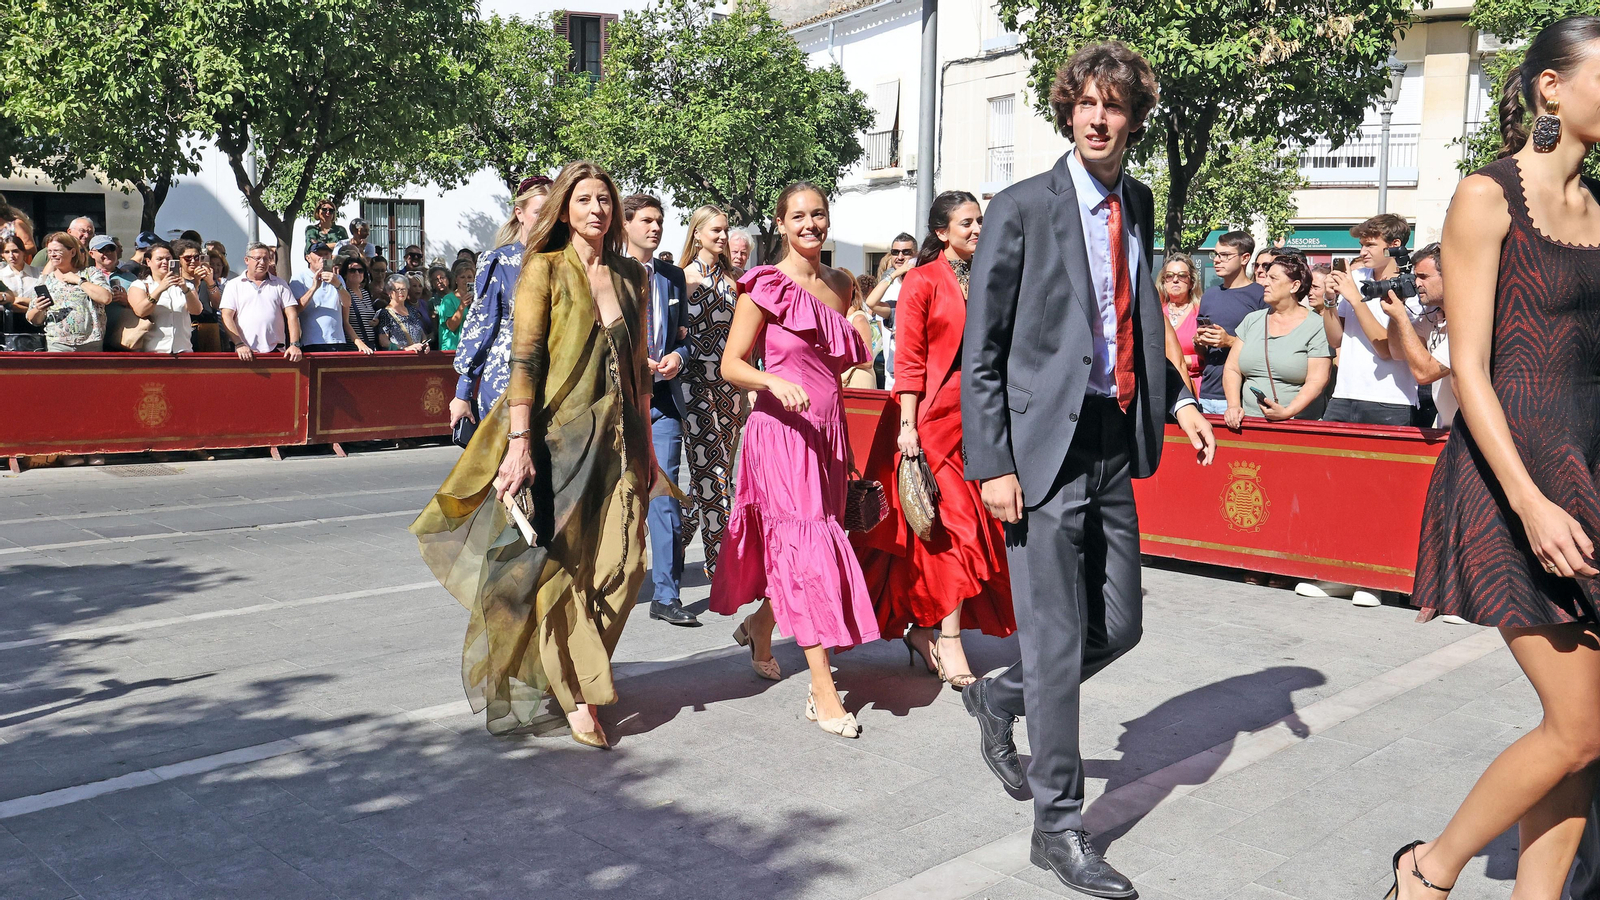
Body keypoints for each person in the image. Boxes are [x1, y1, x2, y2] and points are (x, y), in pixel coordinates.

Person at [960, 43, 1215, 897]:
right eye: (1087, 103)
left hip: (1111, 440)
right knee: (1060, 638)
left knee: (1122, 623)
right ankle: (1058, 827)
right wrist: (993, 462)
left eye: (1116, 106)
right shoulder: (1023, 207)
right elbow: (982, 350)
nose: (1100, 118)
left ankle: (1004, 695)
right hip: (1039, 456)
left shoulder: (1136, 202)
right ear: (1068, 111)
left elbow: (1139, 320)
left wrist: (1178, 400)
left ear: (1134, 119)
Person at [1402, 18, 1600, 899]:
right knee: (1580, 728)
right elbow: (1469, 367)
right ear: (1551, 88)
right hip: (1512, 479)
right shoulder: (1488, 197)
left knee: (1587, 730)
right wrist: (1527, 500)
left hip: (1586, 472)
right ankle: (1429, 870)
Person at [412, 160, 652, 747]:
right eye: (584, 199)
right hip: (555, 441)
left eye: (604, 200)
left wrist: (645, 448)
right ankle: (576, 692)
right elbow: (524, 362)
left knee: (626, 562)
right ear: (565, 208)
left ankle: (572, 668)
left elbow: (636, 370)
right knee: (561, 565)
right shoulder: (541, 269)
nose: (596, 209)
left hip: (619, 439)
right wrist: (518, 445)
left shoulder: (630, 275)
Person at [708, 181, 877, 737]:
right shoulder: (763, 286)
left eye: (819, 214)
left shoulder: (841, 284)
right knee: (806, 552)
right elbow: (732, 364)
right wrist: (773, 381)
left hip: (828, 433)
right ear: (780, 224)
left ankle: (762, 625)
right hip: (779, 433)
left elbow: (844, 366)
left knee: (809, 545)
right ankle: (822, 691)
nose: (810, 224)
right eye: (798, 216)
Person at [854, 190, 1016, 691]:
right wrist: (907, 427)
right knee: (955, 530)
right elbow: (910, 361)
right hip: (927, 424)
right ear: (942, 232)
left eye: (980, 221)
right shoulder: (921, 281)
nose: (977, 229)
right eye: (966, 222)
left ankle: (925, 629)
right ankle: (948, 639)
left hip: (981, 423)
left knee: (962, 531)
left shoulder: (994, 276)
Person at [623, 193, 699, 627]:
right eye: (647, 221)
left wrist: (679, 358)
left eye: (659, 221)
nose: (655, 228)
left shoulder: (672, 276)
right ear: (627, 225)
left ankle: (667, 595)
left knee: (665, 496)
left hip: (664, 402)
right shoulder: (610, 271)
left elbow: (684, 337)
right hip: (618, 403)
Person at [451, 176, 551, 427]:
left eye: (553, 212)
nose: (546, 220)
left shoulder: (565, 260)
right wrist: (463, 392)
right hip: (505, 377)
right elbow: (482, 328)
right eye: (539, 212)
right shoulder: (499, 261)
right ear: (520, 213)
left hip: (554, 377)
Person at [679, 204, 746, 579]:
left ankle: (679, 535)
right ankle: (720, 561)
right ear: (698, 233)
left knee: (721, 471)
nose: (722, 237)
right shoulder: (682, 279)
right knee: (712, 469)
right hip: (694, 385)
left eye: (725, 231)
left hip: (731, 387)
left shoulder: (736, 279)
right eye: (716, 231)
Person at [1320, 214, 1424, 425]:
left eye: (1370, 245)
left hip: (1391, 398)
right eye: (1361, 245)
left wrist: (1356, 300)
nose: (1362, 252)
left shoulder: (1411, 285)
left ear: (1395, 245)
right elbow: (1335, 340)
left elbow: (1386, 349)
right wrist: (1329, 299)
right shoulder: (1356, 278)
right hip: (1344, 394)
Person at [1221, 253, 1332, 426]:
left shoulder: (1317, 326)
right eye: (1266, 278)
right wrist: (1233, 405)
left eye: (1273, 278)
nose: (1265, 283)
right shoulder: (1252, 320)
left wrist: (1288, 411)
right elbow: (1232, 368)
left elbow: (1317, 380)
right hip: (1248, 423)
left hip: (1297, 425)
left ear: (1294, 286)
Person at [1380, 243, 1454, 429]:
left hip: (1472, 434)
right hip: (1447, 427)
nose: (1416, 283)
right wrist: (1397, 313)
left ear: (1450, 277)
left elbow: (1425, 373)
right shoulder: (1432, 314)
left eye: (1423, 277)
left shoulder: (1468, 320)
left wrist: (1401, 317)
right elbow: (1397, 352)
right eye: (1414, 277)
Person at [1192, 231, 1266, 415]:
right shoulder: (1209, 295)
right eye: (1216, 254)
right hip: (1207, 393)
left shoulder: (1260, 296)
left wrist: (1230, 341)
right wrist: (1199, 342)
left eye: (1225, 255)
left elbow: (1269, 349)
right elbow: (1203, 354)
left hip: (1241, 398)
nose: (1217, 260)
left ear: (1245, 258)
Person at [27, 233, 110, 352]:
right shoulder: (45, 280)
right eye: (49, 251)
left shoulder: (90, 273)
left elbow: (106, 298)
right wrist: (39, 309)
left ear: (72, 252)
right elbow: (33, 319)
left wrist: (78, 281)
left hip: (90, 344)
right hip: (57, 344)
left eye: (57, 251)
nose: (52, 255)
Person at [220, 242, 302, 362]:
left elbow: (292, 314)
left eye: (266, 259)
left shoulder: (280, 284)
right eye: (257, 258)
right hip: (244, 352)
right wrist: (238, 344)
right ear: (246, 260)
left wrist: (294, 344)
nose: (262, 262)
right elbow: (226, 316)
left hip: (276, 351)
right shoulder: (233, 285)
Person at [291, 243, 372, 354]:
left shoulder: (337, 278)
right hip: (312, 342)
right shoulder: (300, 278)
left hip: (337, 341)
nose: (323, 258)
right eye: (319, 254)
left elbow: (347, 303)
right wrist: (314, 288)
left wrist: (337, 284)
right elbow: (295, 310)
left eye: (326, 254)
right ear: (308, 258)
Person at [863, 233, 918, 392]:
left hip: (914, 370)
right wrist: (894, 274)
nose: (900, 257)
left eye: (906, 252)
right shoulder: (888, 285)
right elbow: (872, 304)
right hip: (892, 371)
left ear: (916, 254)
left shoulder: (921, 281)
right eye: (895, 252)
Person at [127, 242, 202, 353]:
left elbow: (196, 310)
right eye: (159, 259)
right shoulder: (140, 285)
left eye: (168, 259)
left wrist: (185, 289)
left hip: (183, 350)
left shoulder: (187, 286)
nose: (164, 262)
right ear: (148, 262)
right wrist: (160, 289)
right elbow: (141, 311)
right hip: (152, 351)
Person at [1160, 253, 1203, 385]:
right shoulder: (1156, 312)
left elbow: (1211, 357)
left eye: (1182, 275)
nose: (1175, 280)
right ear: (1164, 282)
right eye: (1169, 276)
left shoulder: (1201, 312)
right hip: (1162, 385)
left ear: (1191, 282)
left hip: (1193, 385)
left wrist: (1180, 361)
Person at [375, 274, 429, 353]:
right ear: (389, 292)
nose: (401, 292)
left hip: (417, 357)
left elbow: (421, 332)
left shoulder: (412, 310)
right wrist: (405, 348)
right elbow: (383, 341)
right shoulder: (386, 313)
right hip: (398, 358)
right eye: (398, 289)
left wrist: (425, 344)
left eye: (404, 289)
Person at [338, 255, 381, 350]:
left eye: (360, 270)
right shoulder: (345, 294)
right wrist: (359, 343)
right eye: (352, 270)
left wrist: (376, 321)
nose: (357, 273)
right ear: (345, 274)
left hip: (371, 345)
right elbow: (345, 322)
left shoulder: (365, 294)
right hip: (354, 347)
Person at [433, 259, 474, 353]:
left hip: (471, 349)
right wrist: (462, 306)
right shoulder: (448, 300)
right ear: (456, 279)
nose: (466, 280)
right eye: (462, 277)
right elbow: (451, 326)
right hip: (452, 348)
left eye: (469, 277)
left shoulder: (478, 299)